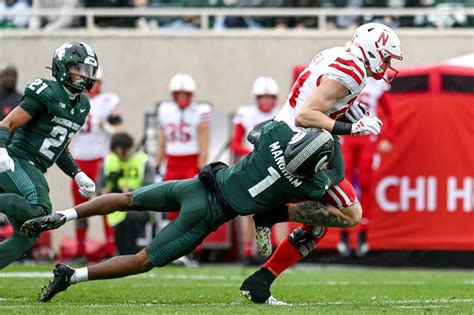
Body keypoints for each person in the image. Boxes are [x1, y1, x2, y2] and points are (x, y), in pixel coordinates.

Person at [22, 120, 342, 303]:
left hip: (196, 184)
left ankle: (65, 215)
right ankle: (72, 276)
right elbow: (335, 175)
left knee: (127, 198)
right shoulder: (308, 186)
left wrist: (310, 127)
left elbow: (256, 133)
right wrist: (336, 138)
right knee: (142, 260)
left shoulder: (277, 137)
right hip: (208, 213)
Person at [240, 22, 403, 304]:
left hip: (289, 136)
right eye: (386, 56)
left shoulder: (339, 55)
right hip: (300, 146)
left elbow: (328, 100)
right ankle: (273, 215)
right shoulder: (351, 71)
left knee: (316, 224)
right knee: (351, 215)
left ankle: (260, 282)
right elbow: (307, 114)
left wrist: (354, 112)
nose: (387, 63)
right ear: (373, 51)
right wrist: (352, 128)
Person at [0, 41, 99, 269]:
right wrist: (2, 149)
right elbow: (7, 124)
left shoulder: (82, 105)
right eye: (78, 69)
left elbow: (60, 145)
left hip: (33, 166)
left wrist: (77, 173)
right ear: (62, 67)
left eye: (88, 70)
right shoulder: (47, 92)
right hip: (16, 159)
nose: (84, 76)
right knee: (41, 210)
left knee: (31, 230)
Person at [69, 68, 124, 262]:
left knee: (106, 203)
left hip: (101, 161)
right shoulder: (73, 99)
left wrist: (106, 127)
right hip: (79, 160)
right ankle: (80, 248)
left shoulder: (109, 101)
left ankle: (110, 247)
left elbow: (119, 132)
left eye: (96, 82)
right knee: (79, 207)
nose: (93, 86)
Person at [338, 76, 395, 257]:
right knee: (343, 182)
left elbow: (390, 112)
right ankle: (344, 233)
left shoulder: (378, 83)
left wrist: (389, 138)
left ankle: (363, 233)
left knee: (365, 182)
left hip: (367, 136)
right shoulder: (347, 75)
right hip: (348, 134)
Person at [231, 76, 280, 265]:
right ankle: (248, 252)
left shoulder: (283, 113)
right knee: (248, 210)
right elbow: (236, 144)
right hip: (251, 167)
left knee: (280, 209)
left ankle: (277, 251)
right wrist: (257, 151)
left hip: (276, 167)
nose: (266, 101)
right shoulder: (246, 114)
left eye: (270, 97)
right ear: (256, 98)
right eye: (263, 97)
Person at [156, 73, 212, 221]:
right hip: (172, 163)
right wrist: (157, 163)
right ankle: (174, 243)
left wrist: (201, 166)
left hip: (191, 162)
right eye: (178, 93)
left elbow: (204, 142)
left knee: (194, 206)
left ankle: (195, 244)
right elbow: (162, 139)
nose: (182, 97)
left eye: (185, 94)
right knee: (172, 205)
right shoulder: (165, 110)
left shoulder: (200, 111)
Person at [97, 132, 155, 255]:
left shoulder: (143, 161)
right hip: (114, 207)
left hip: (139, 206)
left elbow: (151, 188)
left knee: (127, 220)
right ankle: (124, 254)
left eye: (123, 152)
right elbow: (99, 186)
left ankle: (130, 253)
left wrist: (131, 191)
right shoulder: (109, 160)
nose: (120, 156)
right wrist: (103, 191)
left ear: (130, 148)